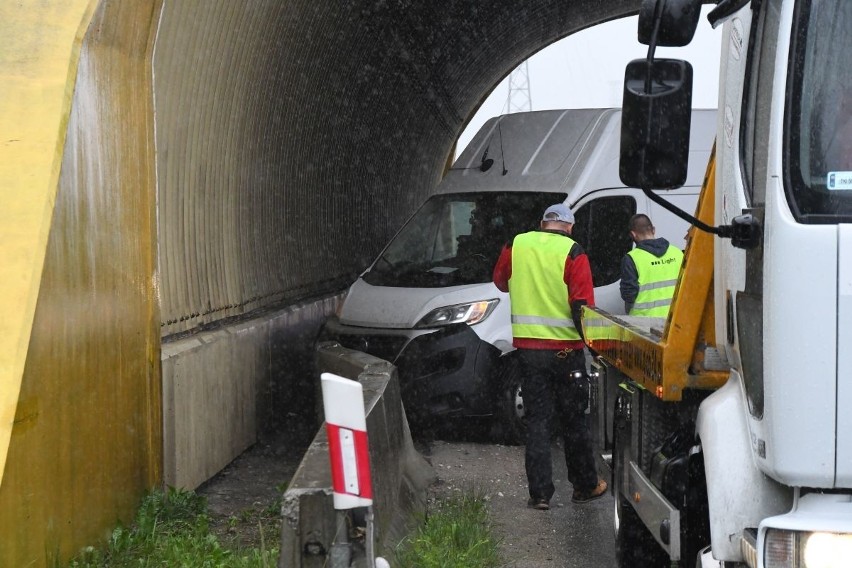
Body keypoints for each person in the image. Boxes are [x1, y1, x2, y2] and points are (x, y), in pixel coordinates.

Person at [492, 203, 607, 510]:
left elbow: (500, 281)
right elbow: (582, 303)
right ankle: (584, 486)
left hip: (529, 353)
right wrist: (592, 346)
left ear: (543, 223)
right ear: (569, 227)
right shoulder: (574, 251)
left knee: (538, 422)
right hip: (566, 351)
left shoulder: (516, 244)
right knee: (574, 420)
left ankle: (540, 494)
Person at [620, 214, 684, 317]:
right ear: (653, 230)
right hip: (675, 321)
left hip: (645, 324)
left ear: (633, 234)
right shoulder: (677, 253)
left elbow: (628, 295)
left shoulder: (631, 259)